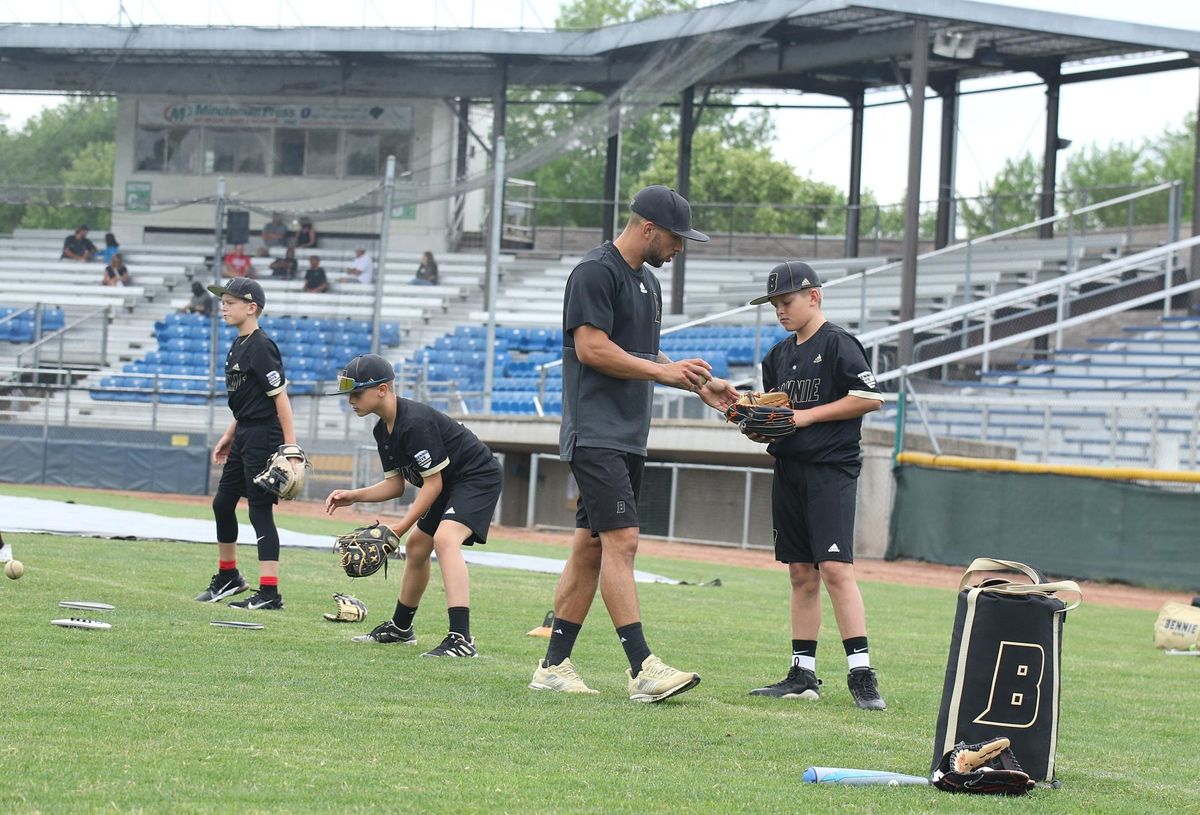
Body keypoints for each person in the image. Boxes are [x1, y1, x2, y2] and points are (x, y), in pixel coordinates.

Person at [529, 185, 739, 701]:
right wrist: (665, 374)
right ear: (647, 228)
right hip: (595, 433)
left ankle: (553, 667)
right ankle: (642, 667)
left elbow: (643, 351)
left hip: (627, 435)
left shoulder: (647, 282)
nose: (679, 248)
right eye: (675, 237)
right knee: (622, 541)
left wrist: (698, 383)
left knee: (591, 548)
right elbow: (592, 347)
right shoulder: (594, 272)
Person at [742, 261, 887, 711]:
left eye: (786, 301)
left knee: (836, 568)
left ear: (814, 296)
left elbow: (869, 396)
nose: (780, 311)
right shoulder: (778, 356)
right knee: (800, 573)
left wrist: (805, 416)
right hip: (789, 469)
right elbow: (779, 415)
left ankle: (861, 673)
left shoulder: (838, 343)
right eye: (775, 305)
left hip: (830, 469)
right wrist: (757, 424)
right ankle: (802, 674)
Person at [325, 354, 503, 658]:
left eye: (356, 393)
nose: (351, 400)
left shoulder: (414, 422)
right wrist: (354, 495)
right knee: (419, 546)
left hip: (476, 477)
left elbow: (432, 485)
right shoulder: (382, 430)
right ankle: (401, 628)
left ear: (382, 389)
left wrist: (398, 528)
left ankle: (461, 638)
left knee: (446, 540)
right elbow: (396, 485)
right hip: (449, 482)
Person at [194, 277, 302, 611]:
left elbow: (279, 397)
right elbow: (247, 400)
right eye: (223, 302)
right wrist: (229, 434)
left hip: (264, 435)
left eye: (230, 302)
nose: (223, 307)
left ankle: (270, 592)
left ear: (251, 307)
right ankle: (229, 576)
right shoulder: (238, 344)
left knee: (259, 510)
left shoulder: (261, 345)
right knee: (222, 504)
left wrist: (291, 449)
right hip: (245, 433)